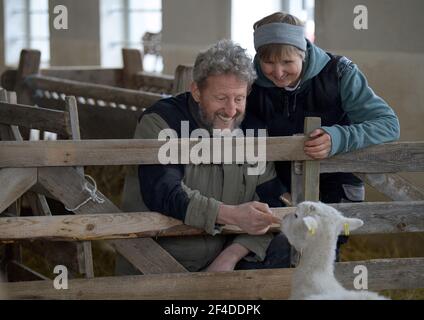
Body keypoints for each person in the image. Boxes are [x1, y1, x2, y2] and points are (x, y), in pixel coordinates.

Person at [118, 39, 291, 274]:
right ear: (197, 91)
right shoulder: (162, 121)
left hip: (224, 261)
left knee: (290, 244)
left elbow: (270, 197)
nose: (231, 110)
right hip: (158, 262)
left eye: (239, 98)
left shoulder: (252, 128)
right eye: (221, 98)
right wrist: (231, 215)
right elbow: (164, 191)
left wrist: (231, 256)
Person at [243, 12, 400, 259]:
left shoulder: (339, 73)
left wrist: (337, 138)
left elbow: (388, 124)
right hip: (276, 188)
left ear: (303, 51)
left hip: (335, 186)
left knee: (323, 254)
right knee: (276, 254)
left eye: (287, 62)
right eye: (269, 62)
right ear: (258, 58)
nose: (278, 72)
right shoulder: (251, 82)